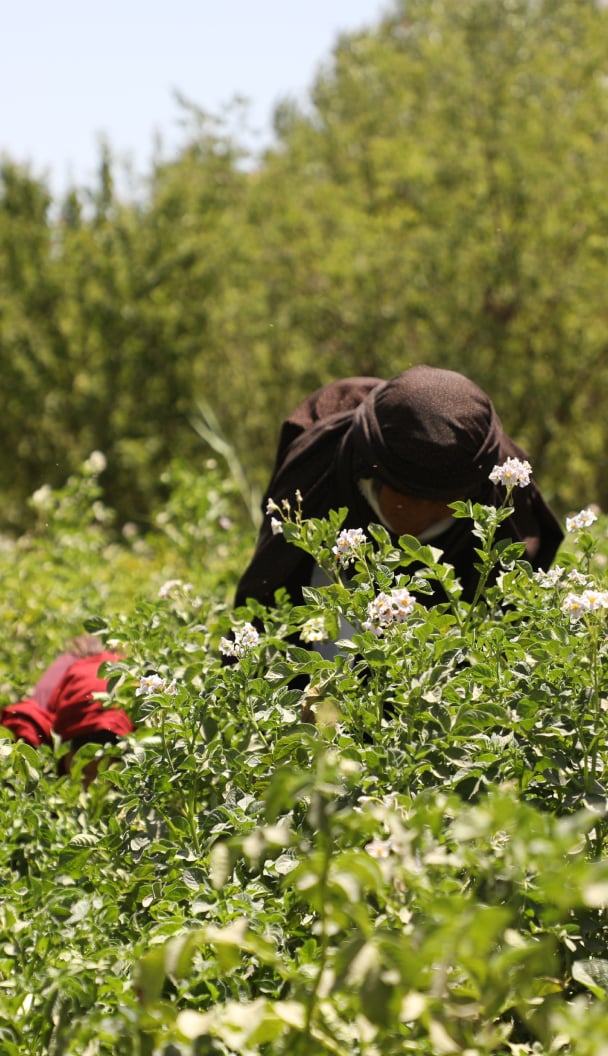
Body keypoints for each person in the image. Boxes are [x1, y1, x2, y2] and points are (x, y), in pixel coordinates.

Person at [235, 365, 563, 611]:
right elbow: (270, 594)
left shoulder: (497, 477)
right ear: (378, 478)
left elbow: (513, 612)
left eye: (447, 504)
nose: (426, 519)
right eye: (414, 502)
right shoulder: (320, 462)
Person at [0, 635, 133, 775]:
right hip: (115, 730)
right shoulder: (126, 665)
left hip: (75, 733)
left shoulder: (66, 663)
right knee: (104, 785)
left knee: (77, 782)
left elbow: (33, 715)